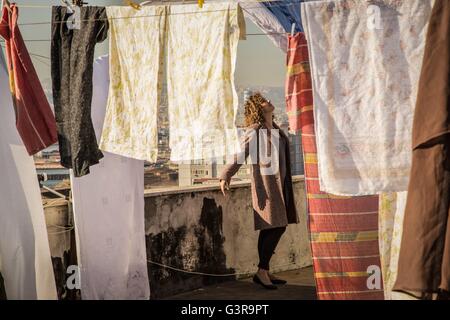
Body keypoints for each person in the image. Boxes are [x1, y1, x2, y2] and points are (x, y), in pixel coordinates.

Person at [219, 92, 299, 290]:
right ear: (258, 107)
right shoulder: (255, 130)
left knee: (271, 227)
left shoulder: (277, 130)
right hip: (268, 187)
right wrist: (225, 175)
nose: (269, 100)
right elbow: (241, 153)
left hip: (282, 185)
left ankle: (264, 270)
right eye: (263, 100)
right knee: (276, 226)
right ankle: (262, 271)